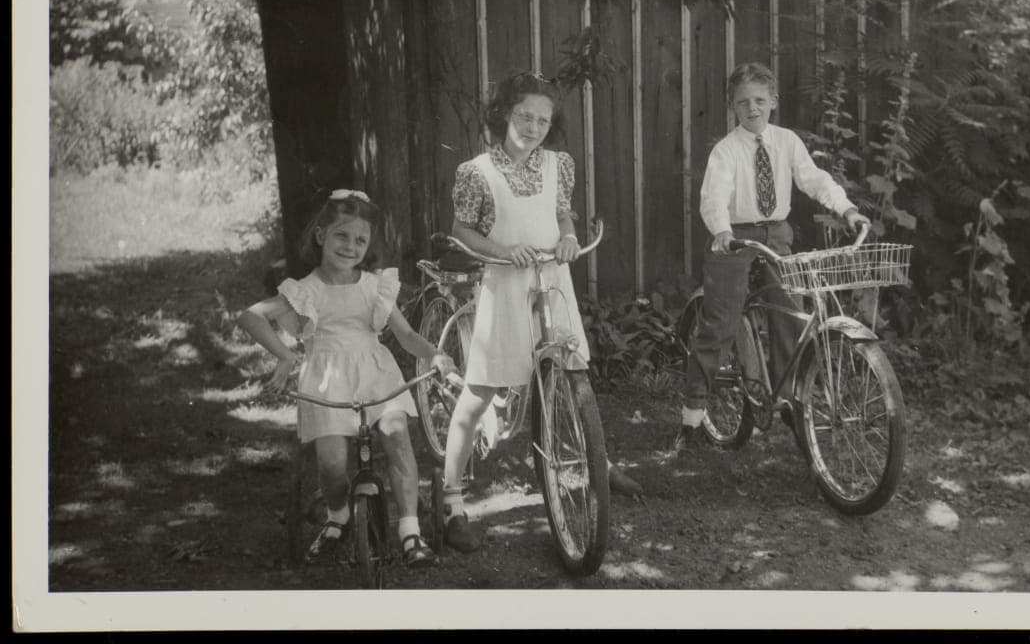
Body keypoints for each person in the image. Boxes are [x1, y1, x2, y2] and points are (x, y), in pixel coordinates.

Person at [439, 71, 639, 554]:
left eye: (542, 119)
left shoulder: (558, 164)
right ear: (504, 114)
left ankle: (593, 458)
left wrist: (568, 235)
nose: (532, 126)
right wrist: (505, 251)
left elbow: (562, 212)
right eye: (524, 115)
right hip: (506, 283)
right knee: (482, 391)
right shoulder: (477, 171)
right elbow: (462, 232)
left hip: (553, 280)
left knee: (571, 368)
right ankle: (451, 498)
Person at [237, 189, 455, 567]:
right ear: (321, 235)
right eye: (341, 235)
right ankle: (338, 515)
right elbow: (251, 315)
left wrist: (435, 354)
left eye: (360, 240)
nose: (350, 246)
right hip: (326, 377)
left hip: (375, 371)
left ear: (368, 246)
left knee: (396, 434)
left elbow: (404, 335)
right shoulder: (306, 291)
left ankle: (409, 530)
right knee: (333, 463)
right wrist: (286, 355)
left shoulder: (374, 286)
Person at [677, 62, 869, 453]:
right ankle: (693, 418)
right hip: (734, 237)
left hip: (777, 233)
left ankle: (791, 405)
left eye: (760, 100)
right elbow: (713, 198)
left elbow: (813, 179)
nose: (752, 108)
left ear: (774, 102)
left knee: (791, 317)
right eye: (743, 102)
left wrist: (846, 209)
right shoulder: (726, 151)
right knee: (720, 323)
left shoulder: (787, 142)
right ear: (732, 106)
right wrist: (722, 231)